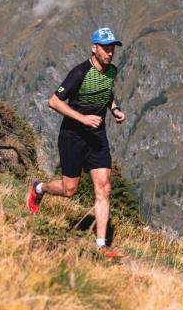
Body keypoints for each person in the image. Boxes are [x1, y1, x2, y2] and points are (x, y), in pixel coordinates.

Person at [26, 27, 126, 257]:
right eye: (105, 48)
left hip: (97, 136)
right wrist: (82, 118)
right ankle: (39, 188)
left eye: (112, 48)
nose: (110, 52)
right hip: (72, 136)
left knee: (104, 187)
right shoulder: (80, 73)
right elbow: (53, 101)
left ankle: (101, 245)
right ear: (94, 48)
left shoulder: (111, 71)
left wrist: (115, 109)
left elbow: (107, 92)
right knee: (69, 189)